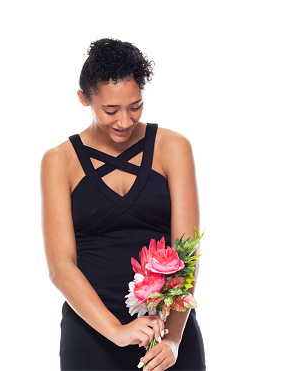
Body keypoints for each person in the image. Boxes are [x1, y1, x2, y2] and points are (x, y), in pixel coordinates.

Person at [41, 38, 205, 370]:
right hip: (91, 337)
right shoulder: (59, 161)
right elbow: (61, 267)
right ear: (83, 99)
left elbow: (185, 253)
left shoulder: (172, 147)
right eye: (110, 110)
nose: (124, 121)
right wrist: (115, 330)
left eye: (135, 106)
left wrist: (173, 340)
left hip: (167, 332)